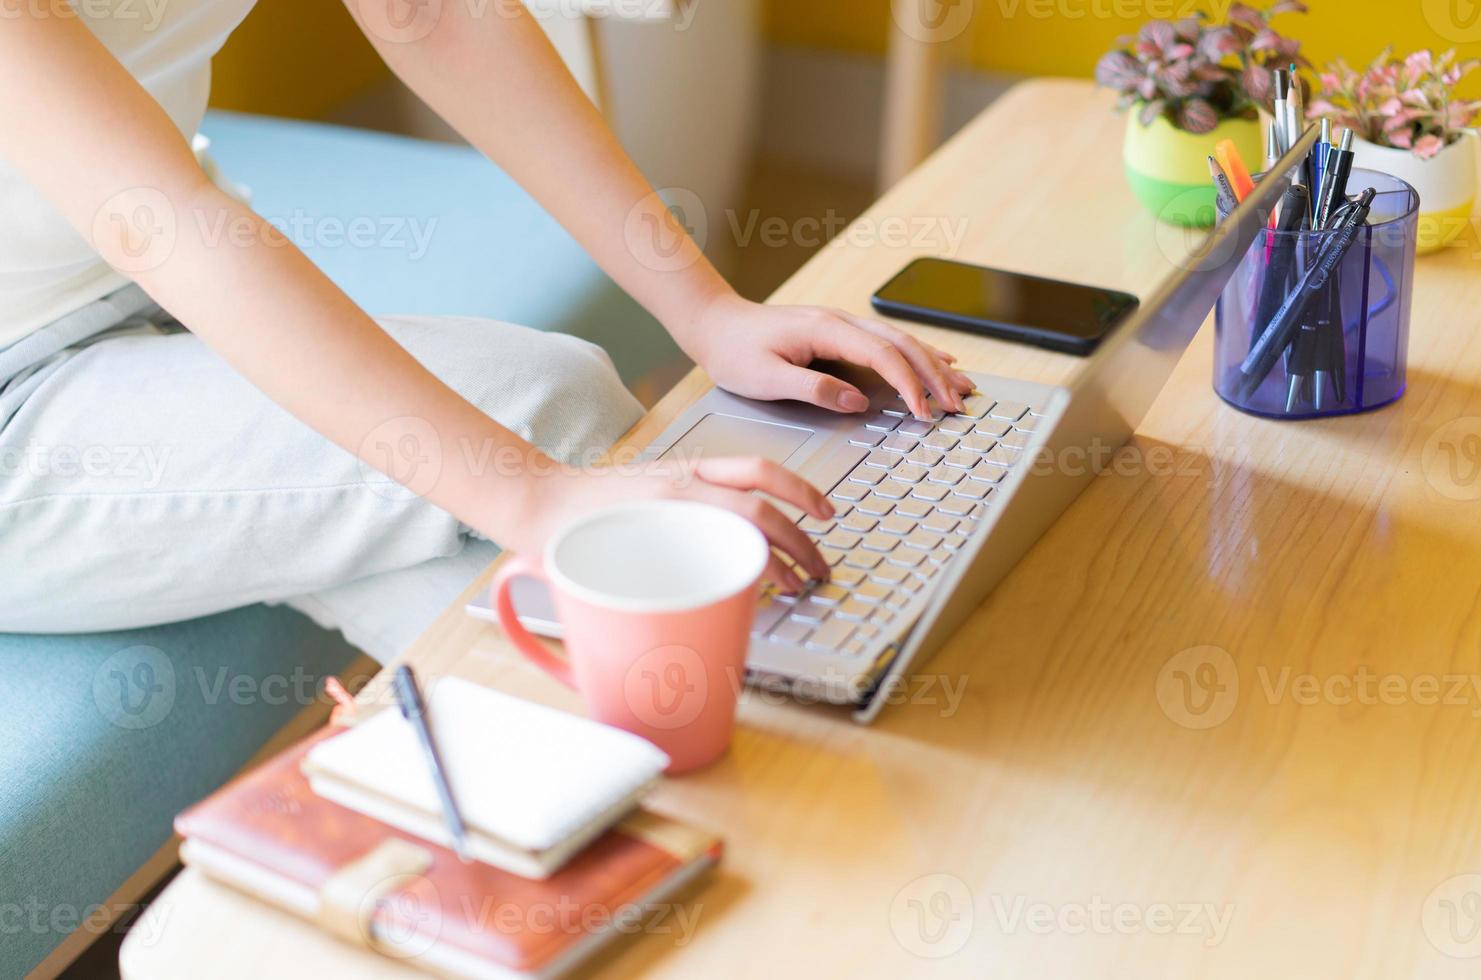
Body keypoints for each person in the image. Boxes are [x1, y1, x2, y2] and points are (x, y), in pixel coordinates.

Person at [0, 0, 972, 661]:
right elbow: (154, 219)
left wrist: (706, 310)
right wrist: (539, 498)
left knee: (579, 634)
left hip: (136, 299)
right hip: (26, 390)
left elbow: (437, 15)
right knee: (547, 419)